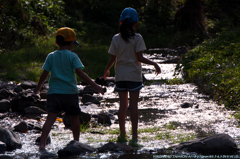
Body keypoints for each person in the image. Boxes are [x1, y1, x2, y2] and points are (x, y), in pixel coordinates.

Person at [34, 27, 105, 150]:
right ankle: (76, 142)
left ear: (57, 42)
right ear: (72, 43)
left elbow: (44, 74)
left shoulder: (51, 56)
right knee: (74, 118)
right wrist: (96, 86)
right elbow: (81, 73)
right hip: (70, 93)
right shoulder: (72, 56)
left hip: (54, 93)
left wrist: (38, 88)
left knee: (50, 119)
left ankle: (42, 144)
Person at [103, 7, 161, 146]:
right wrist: (154, 63)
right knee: (134, 107)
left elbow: (113, 57)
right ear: (135, 23)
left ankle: (122, 135)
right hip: (134, 76)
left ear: (121, 22)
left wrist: (106, 70)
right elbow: (139, 57)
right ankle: (134, 137)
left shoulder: (116, 38)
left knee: (122, 106)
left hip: (121, 76)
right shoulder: (137, 38)